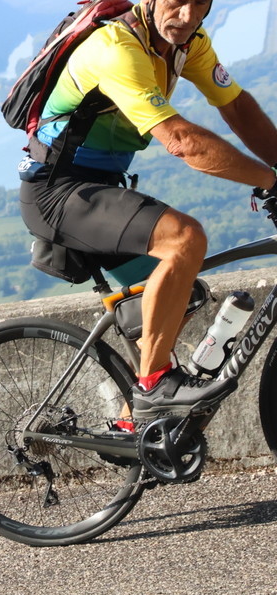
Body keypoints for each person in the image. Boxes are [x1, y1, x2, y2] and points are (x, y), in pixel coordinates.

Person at [18, 0, 277, 422]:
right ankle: (154, 385)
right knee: (184, 239)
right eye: (178, 1)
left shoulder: (188, 44)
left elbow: (235, 106)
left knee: (180, 296)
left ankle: (130, 423)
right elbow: (180, 141)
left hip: (97, 190)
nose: (188, 15)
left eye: (201, 4)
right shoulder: (116, 47)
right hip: (57, 192)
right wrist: (271, 180)